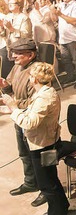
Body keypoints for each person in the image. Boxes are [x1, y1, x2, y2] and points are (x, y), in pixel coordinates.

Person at [2, 62, 69, 215]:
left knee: (47, 184)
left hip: (44, 146)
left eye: (31, 75)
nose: (29, 77)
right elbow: (32, 112)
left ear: (36, 79)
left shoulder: (45, 96)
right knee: (50, 180)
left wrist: (13, 107)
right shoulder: (42, 92)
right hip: (43, 142)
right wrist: (11, 109)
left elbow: (30, 123)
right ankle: (62, 206)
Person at [0, 39, 44, 206]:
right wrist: (4, 85)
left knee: (37, 157)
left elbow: (35, 102)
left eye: (18, 53)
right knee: (24, 154)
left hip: (32, 122)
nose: (14, 56)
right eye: (13, 52)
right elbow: (11, 88)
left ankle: (44, 189)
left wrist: (12, 105)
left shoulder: (38, 71)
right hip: (19, 118)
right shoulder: (17, 66)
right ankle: (30, 183)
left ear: (31, 55)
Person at [51, 0, 76, 86]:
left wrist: (60, 14)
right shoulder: (62, 5)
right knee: (66, 60)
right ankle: (70, 77)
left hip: (73, 37)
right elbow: (55, 19)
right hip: (63, 38)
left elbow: (74, 21)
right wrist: (53, 12)